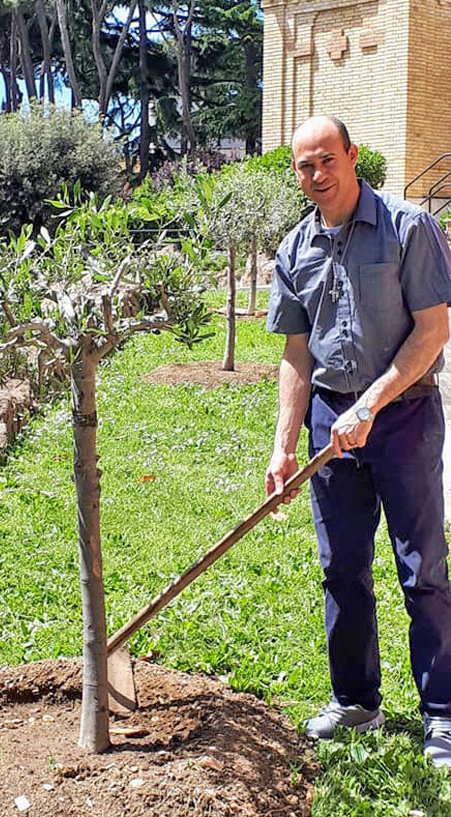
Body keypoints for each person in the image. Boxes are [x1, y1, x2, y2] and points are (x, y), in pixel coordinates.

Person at [265, 115, 451, 768]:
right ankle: (357, 702)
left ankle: (444, 714)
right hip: (330, 427)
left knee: (422, 568)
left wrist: (372, 403)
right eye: (303, 166)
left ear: (352, 156)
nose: (316, 175)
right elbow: (295, 352)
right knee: (341, 567)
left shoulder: (409, 228)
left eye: (326, 160)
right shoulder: (294, 250)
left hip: (402, 417)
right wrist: (284, 444)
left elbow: (433, 331)